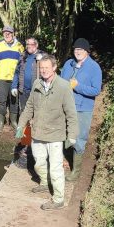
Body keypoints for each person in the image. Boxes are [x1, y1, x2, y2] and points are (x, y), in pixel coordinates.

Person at [18, 54, 78, 210]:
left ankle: (58, 199)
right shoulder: (37, 84)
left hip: (55, 134)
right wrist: (21, 125)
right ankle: (44, 182)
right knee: (38, 162)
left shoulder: (64, 86)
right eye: (41, 67)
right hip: (38, 132)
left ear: (54, 67)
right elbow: (29, 106)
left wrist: (72, 135)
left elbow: (71, 114)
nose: (44, 70)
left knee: (56, 168)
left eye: (47, 67)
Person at [60, 38, 103, 182]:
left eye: (81, 50)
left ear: (87, 51)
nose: (77, 52)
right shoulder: (68, 64)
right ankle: (63, 161)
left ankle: (75, 172)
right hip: (65, 106)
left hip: (83, 109)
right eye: (76, 49)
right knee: (63, 134)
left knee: (79, 139)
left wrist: (77, 86)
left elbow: (96, 90)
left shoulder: (94, 67)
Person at [0, 25, 25, 131]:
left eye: (9, 33)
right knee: (2, 101)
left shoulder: (20, 46)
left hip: (15, 79)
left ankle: (13, 121)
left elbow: (22, 63)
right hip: (1, 78)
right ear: (3, 34)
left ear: (13, 34)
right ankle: (1, 122)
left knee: (14, 100)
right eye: (5, 33)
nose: (7, 35)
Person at [12, 37, 47, 112]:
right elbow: (17, 72)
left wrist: (43, 58)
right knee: (24, 112)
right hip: (23, 91)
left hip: (37, 91)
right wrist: (14, 86)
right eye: (28, 44)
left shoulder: (43, 55)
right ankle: (24, 124)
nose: (29, 46)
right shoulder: (23, 56)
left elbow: (50, 68)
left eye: (32, 44)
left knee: (36, 112)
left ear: (36, 45)